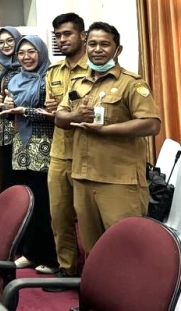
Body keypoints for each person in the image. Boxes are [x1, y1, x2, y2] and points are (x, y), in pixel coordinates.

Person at [55, 21, 161, 254]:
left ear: (117, 49)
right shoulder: (77, 82)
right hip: (82, 178)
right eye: (92, 44)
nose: (97, 49)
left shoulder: (131, 83)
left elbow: (152, 124)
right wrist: (75, 116)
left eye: (104, 44)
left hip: (119, 181)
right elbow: (60, 118)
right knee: (93, 250)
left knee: (126, 248)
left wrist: (105, 130)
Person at [0, 35, 58, 273]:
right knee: (28, 201)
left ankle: (50, 257)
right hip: (21, 145)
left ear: (41, 53)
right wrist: (7, 108)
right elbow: (12, 113)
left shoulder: (50, 78)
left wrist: (25, 111)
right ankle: (30, 252)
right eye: (22, 53)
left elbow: (54, 114)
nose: (26, 57)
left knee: (44, 203)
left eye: (31, 52)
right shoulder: (15, 80)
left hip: (43, 146)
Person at [44, 12, 87, 283]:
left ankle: (95, 275)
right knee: (59, 215)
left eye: (67, 34)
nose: (62, 39)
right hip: (59, 151)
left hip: (88, 153)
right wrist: (52, 110)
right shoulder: (54, 72)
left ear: (82, 35)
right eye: (58, 35)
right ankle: (67, 269)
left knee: (89, 219)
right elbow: (55, 113)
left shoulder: (95, 68)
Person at [0, 27, 24, 191]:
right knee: (8, 176)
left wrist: (11, 103)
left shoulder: (27, 67)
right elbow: (1, 95)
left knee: (20, 179)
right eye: (1, 42)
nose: (6, 45)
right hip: (5, 130)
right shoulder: (4, 69)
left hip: (21, 130)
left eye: (10, 40)